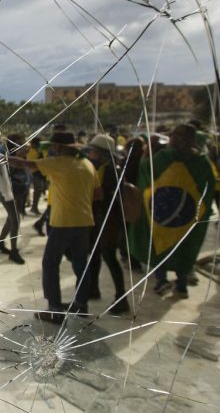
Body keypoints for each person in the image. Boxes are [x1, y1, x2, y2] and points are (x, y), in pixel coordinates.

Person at [11, 131, 100, 323]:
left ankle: (55, 311)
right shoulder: (88, 164)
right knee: (81, 265)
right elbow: (98, 194)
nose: (51, 149)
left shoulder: (58, 162)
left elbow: (23, 164)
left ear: (60, 147)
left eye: (53, 146)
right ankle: (81, 305)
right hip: (84, 221)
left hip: (63, 222)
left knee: (50, 264)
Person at [129, 124, 215, 299]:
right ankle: (181, 285)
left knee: (160, 245)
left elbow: (145, 171)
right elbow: (207, 188)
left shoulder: (162, 158)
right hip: (186, 217)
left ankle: (162, 281)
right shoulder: (201, 163)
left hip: (162, 215)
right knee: (182, 247)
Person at [85, 134, 130, 313]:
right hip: (101, 218)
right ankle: (93, 288)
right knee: (95, 255)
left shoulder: (111, 170)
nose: (90, 153)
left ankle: (121, 298)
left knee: (110, 257)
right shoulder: (105, 167)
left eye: (93, 150)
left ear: (101, 153)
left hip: (108, 220)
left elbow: (105, 196)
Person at [0, 134, 26, 264]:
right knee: (15, 220)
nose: (24, 145)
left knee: (11, 219)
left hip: (18, 191)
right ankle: (14, 251)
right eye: (21, 142)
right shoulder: (4, 156)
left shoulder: (18, 155)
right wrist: (19, 157)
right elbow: (8, 172)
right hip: (8, 193)